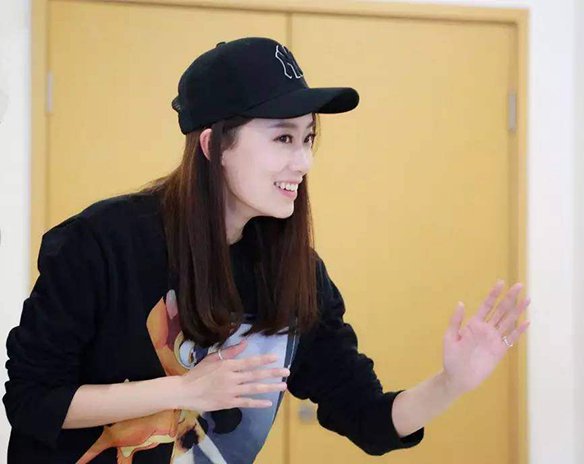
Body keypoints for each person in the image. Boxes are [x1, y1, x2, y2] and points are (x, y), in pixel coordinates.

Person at [3, 37, 531, 463]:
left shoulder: (295, 273)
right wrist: (184, 392)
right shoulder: (102, 243)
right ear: (213, 146)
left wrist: (450, 384)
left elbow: (367, 417)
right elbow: (31, 401)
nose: (303, 162)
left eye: (308, 139)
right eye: (282, 139)